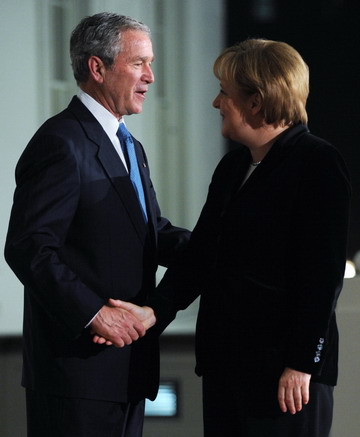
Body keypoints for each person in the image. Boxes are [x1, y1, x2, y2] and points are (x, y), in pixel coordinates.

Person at [110, 38, 351, 437]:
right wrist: (154, 311)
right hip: (226, 367)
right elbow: (204, 254)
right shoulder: (233, 165)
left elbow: (321, 278)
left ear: (256, 101)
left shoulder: (318, 163)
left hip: (283, 378)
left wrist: (302, 363)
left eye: (225, 92)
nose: (216, 103)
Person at [4, 12, 190, 437]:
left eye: (152, 64)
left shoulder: (131, 145)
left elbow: (151, 232)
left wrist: (223, 243)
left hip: (128, 370)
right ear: (97, 67)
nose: (151, 77)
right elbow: (29, 246)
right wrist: (92, 314)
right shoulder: (61, 141)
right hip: (77, 374)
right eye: (140, 63)